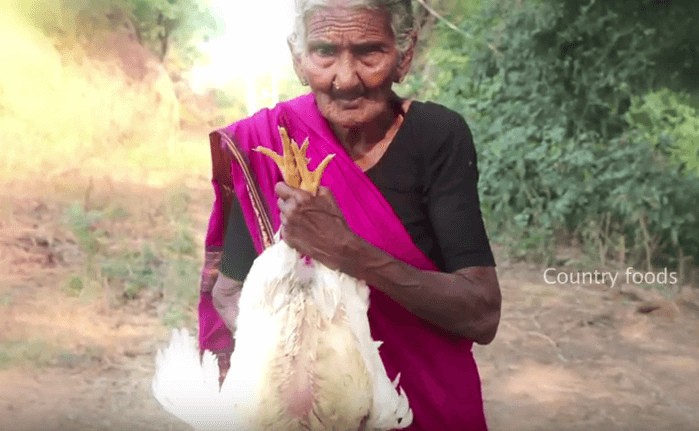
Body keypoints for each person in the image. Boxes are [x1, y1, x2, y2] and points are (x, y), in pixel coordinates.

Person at [197, 0, 501, 429]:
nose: (345, 79)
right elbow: (228, 294)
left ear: (405, 55)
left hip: (426, 408)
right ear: (298, 59)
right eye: (324, 52)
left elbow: (482, 313)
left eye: (368, 52)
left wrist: (350, 253)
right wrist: (300, 375)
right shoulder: (269, 146)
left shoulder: (436, 136)